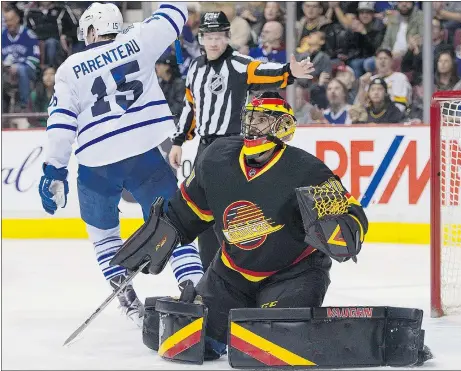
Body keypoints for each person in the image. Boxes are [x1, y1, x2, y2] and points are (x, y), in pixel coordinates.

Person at [111, 92, 370, 361]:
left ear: (283, 128)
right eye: (250, 118)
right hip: (230, 275)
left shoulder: (307, 171)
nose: (253, 125)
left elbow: (353, 216)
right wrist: (162, 231)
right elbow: (188, 209)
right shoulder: (216, 158)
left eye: (262, 120)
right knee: (180, 340)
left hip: (293, 275)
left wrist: (339, 230)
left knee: (273, 347)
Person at [38, 2, 203, 327]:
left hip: (96, 163)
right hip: (144, 153)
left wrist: (54, 169)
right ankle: (194, 290)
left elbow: (60, 125)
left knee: (103, 234)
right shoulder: (139, 40)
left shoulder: (70, 67)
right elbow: (174, 14)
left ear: (90, 30)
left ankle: (128, 303)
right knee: (176, 226)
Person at [169, 11, 315, 272]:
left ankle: (242, 271)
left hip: (231, 148)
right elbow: (190, 107)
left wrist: (288, 72)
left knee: (233, 212)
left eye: (219, 36)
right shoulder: (195, 68)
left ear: (227, 37)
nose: (214, 42)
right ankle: (210, 274)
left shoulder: (238, 64)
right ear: (201, 38)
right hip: (205, 148)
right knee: (204, 211)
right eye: (209, 36)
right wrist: (179, 141)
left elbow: (264, 72)